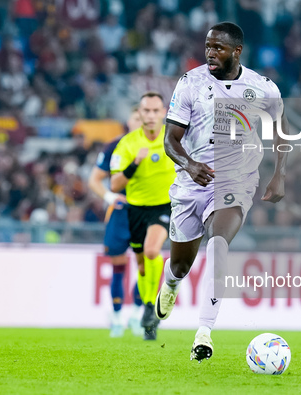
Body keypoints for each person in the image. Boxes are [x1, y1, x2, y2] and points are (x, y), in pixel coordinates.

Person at [155, 22, 288, 361]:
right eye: (207, 46)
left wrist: (279, 175)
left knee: (218, 243)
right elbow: (169, 140)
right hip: (191, 182)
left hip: (236, 179)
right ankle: (170, 284)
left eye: (218, 47)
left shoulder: (263, 88)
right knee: (181, 266)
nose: (210, 53)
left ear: (236, 52)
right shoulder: (191, 83)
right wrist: (189, 165)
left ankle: (204, 333)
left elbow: (281, 134)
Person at [110, 92, 176, 341]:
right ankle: (150, 309)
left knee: (151, 251)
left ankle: (152, 304)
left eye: (155, 111)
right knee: (141, 264)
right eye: (145, 111)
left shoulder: (175, 138)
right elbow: (115, 184)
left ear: (164, 112)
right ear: (139, 113)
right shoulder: (127, 144)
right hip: (136, 209)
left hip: (164, 206)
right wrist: (134, 165)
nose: (150, 116)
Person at [88, 108, 144, 338]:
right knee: (118, 268)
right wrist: (110, 197)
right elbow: (94, 180)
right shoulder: (115, 146)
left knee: (146, 266)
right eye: (137, 117)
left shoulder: (160, 144)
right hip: (120, 213)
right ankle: (118, 317)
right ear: (128, 121)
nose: (142, 121)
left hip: (146, 213)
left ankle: (137, 316)